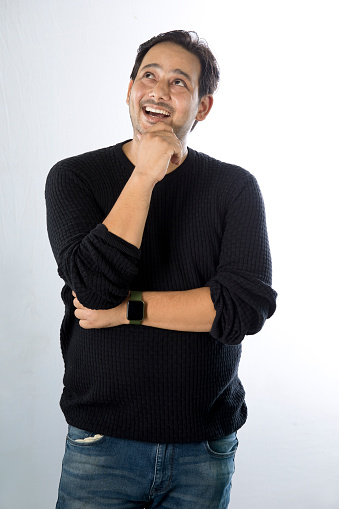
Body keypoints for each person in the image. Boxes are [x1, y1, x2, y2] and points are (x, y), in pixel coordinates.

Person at [45, 30, 277, 509]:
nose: (158, 90)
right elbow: (93, 287)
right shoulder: (73, 177)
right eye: (148, 76)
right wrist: (146, 172)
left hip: (204, 448)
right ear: (130, 89)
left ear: (202, 106)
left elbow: (241, 309)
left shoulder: (234, 188)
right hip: (100, 445)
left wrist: (127, 310)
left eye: (178, 82)